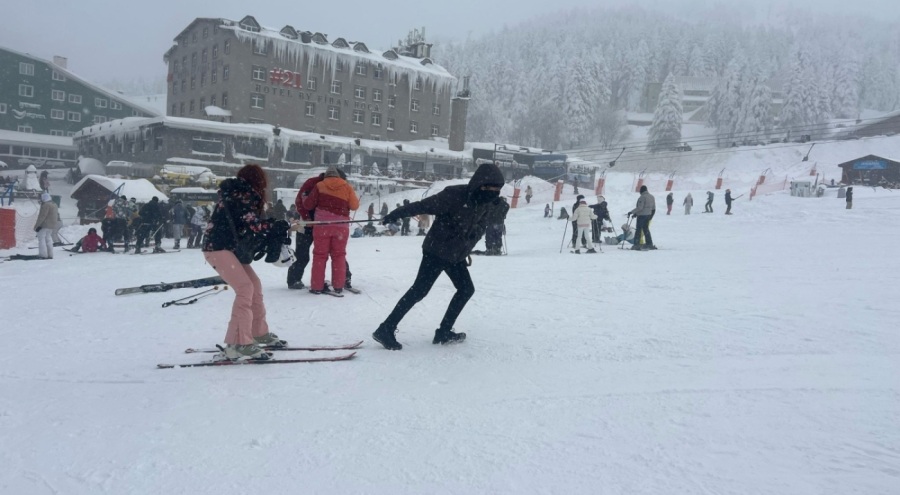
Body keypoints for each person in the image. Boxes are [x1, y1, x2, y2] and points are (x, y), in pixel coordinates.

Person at [372, 162, 505, 350]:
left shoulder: (487, 203)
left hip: (456, 254)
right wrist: (397, 214)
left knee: (466, 289)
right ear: (479, 184)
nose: (493, 192)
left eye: (497, 189)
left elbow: (478, 228)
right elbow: (422, 205)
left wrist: (466, 249)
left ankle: (444, 331)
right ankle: (386, 329)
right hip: (437, 250)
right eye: (489, 188)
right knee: (419, 290)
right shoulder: (454, 195)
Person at [202, 164, 290, 361]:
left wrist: (274, 225)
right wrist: (276, 225)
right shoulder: (243, 195)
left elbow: (248, 224)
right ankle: (238, 343)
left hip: (225, 248)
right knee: (245, 288)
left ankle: (257, 332)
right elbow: (253, 225)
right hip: (217, 248)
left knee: (254, 286)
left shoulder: (236, 193)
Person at [302, 166, 359, 294]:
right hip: (341, 226)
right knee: (339, 255)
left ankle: (316, 287)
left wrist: (305, 197)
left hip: (322, 225)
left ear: (326, 175)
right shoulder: (347, 186)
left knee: (319, 256)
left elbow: (308, 205)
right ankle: (338, 286)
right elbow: (354, 206)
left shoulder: (320, 185)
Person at [628, 185, 656, 250]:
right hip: (648, 215)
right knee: (646, 229)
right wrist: (650, 216)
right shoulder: (652, 197)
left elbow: (640, 208)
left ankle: (636, 244)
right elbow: (653, 208)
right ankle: (649, 243)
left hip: (642, 216)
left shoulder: (642, 197)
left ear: (641, 190)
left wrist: (632, 212)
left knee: (638, 230)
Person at [34, 192, 59, 259]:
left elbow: (42, 216)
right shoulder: (54, 204)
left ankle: (43, 254)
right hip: (52, 225)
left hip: (44, 225)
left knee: (41, 239)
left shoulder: (46, 205)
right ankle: (50, 254)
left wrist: (37, 225)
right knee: (48, 239)